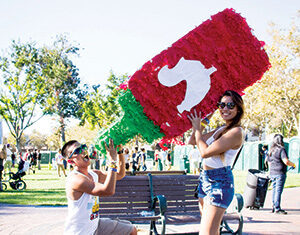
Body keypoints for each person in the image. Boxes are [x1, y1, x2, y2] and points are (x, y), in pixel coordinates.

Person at [188, 90, 244, 235]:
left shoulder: (236, 132)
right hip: (205, 180)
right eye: (222, 105)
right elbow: (193, 141)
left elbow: (205, 152)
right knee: (210, 231)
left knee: (206, 233)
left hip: (219, 183)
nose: (225, 109)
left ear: (238, 109)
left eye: (230, 105)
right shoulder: (221, 129)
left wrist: (198, 128)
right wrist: (206, 118)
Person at [62, 139, 137, 235]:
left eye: (83, 147)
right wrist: (112, 161)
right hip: (80, 232)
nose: (83, 151)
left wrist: (119, 152)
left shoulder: (93, 174)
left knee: (131, 230)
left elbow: (120, 174)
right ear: (70, 161)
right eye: (77, 151)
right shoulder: (75, 179)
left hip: (95, 225)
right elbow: (108, 191)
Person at [266, 134, 296, 214]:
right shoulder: (281, 149)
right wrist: (293, 164)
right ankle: (277, 208)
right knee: (278, 191)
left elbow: (268, 162)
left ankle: (273, 206)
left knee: (274, 190)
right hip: (280, 173)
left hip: (272, 172)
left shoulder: (271, 150)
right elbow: (286, 161)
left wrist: (270, 171)